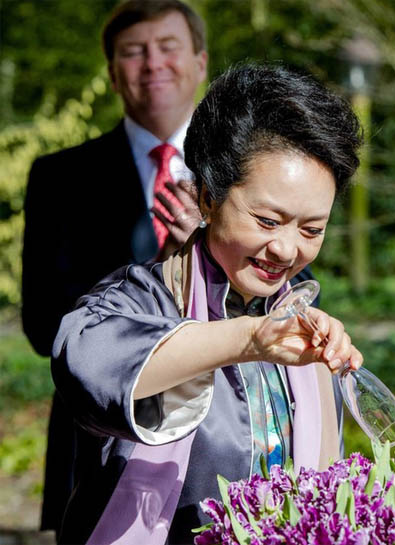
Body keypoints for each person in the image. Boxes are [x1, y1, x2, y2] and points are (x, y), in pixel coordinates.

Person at [51, 63, 363, 544]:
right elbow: (86, 364)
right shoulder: (141, 299)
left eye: (311, 230)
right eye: (266, 220)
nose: (286, 249)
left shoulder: (304, 326)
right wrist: (248, 340)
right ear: (209, 198)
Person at [21, 0, 209, 532]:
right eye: (134, 52)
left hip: (223, 442)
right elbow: (41, 324)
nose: (153, 63)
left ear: (199, 61)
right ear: (112, 74)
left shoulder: (245, 169)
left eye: (168, 47)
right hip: (96, 445)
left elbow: (295, 286)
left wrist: (202, 253)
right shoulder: (59, 178)